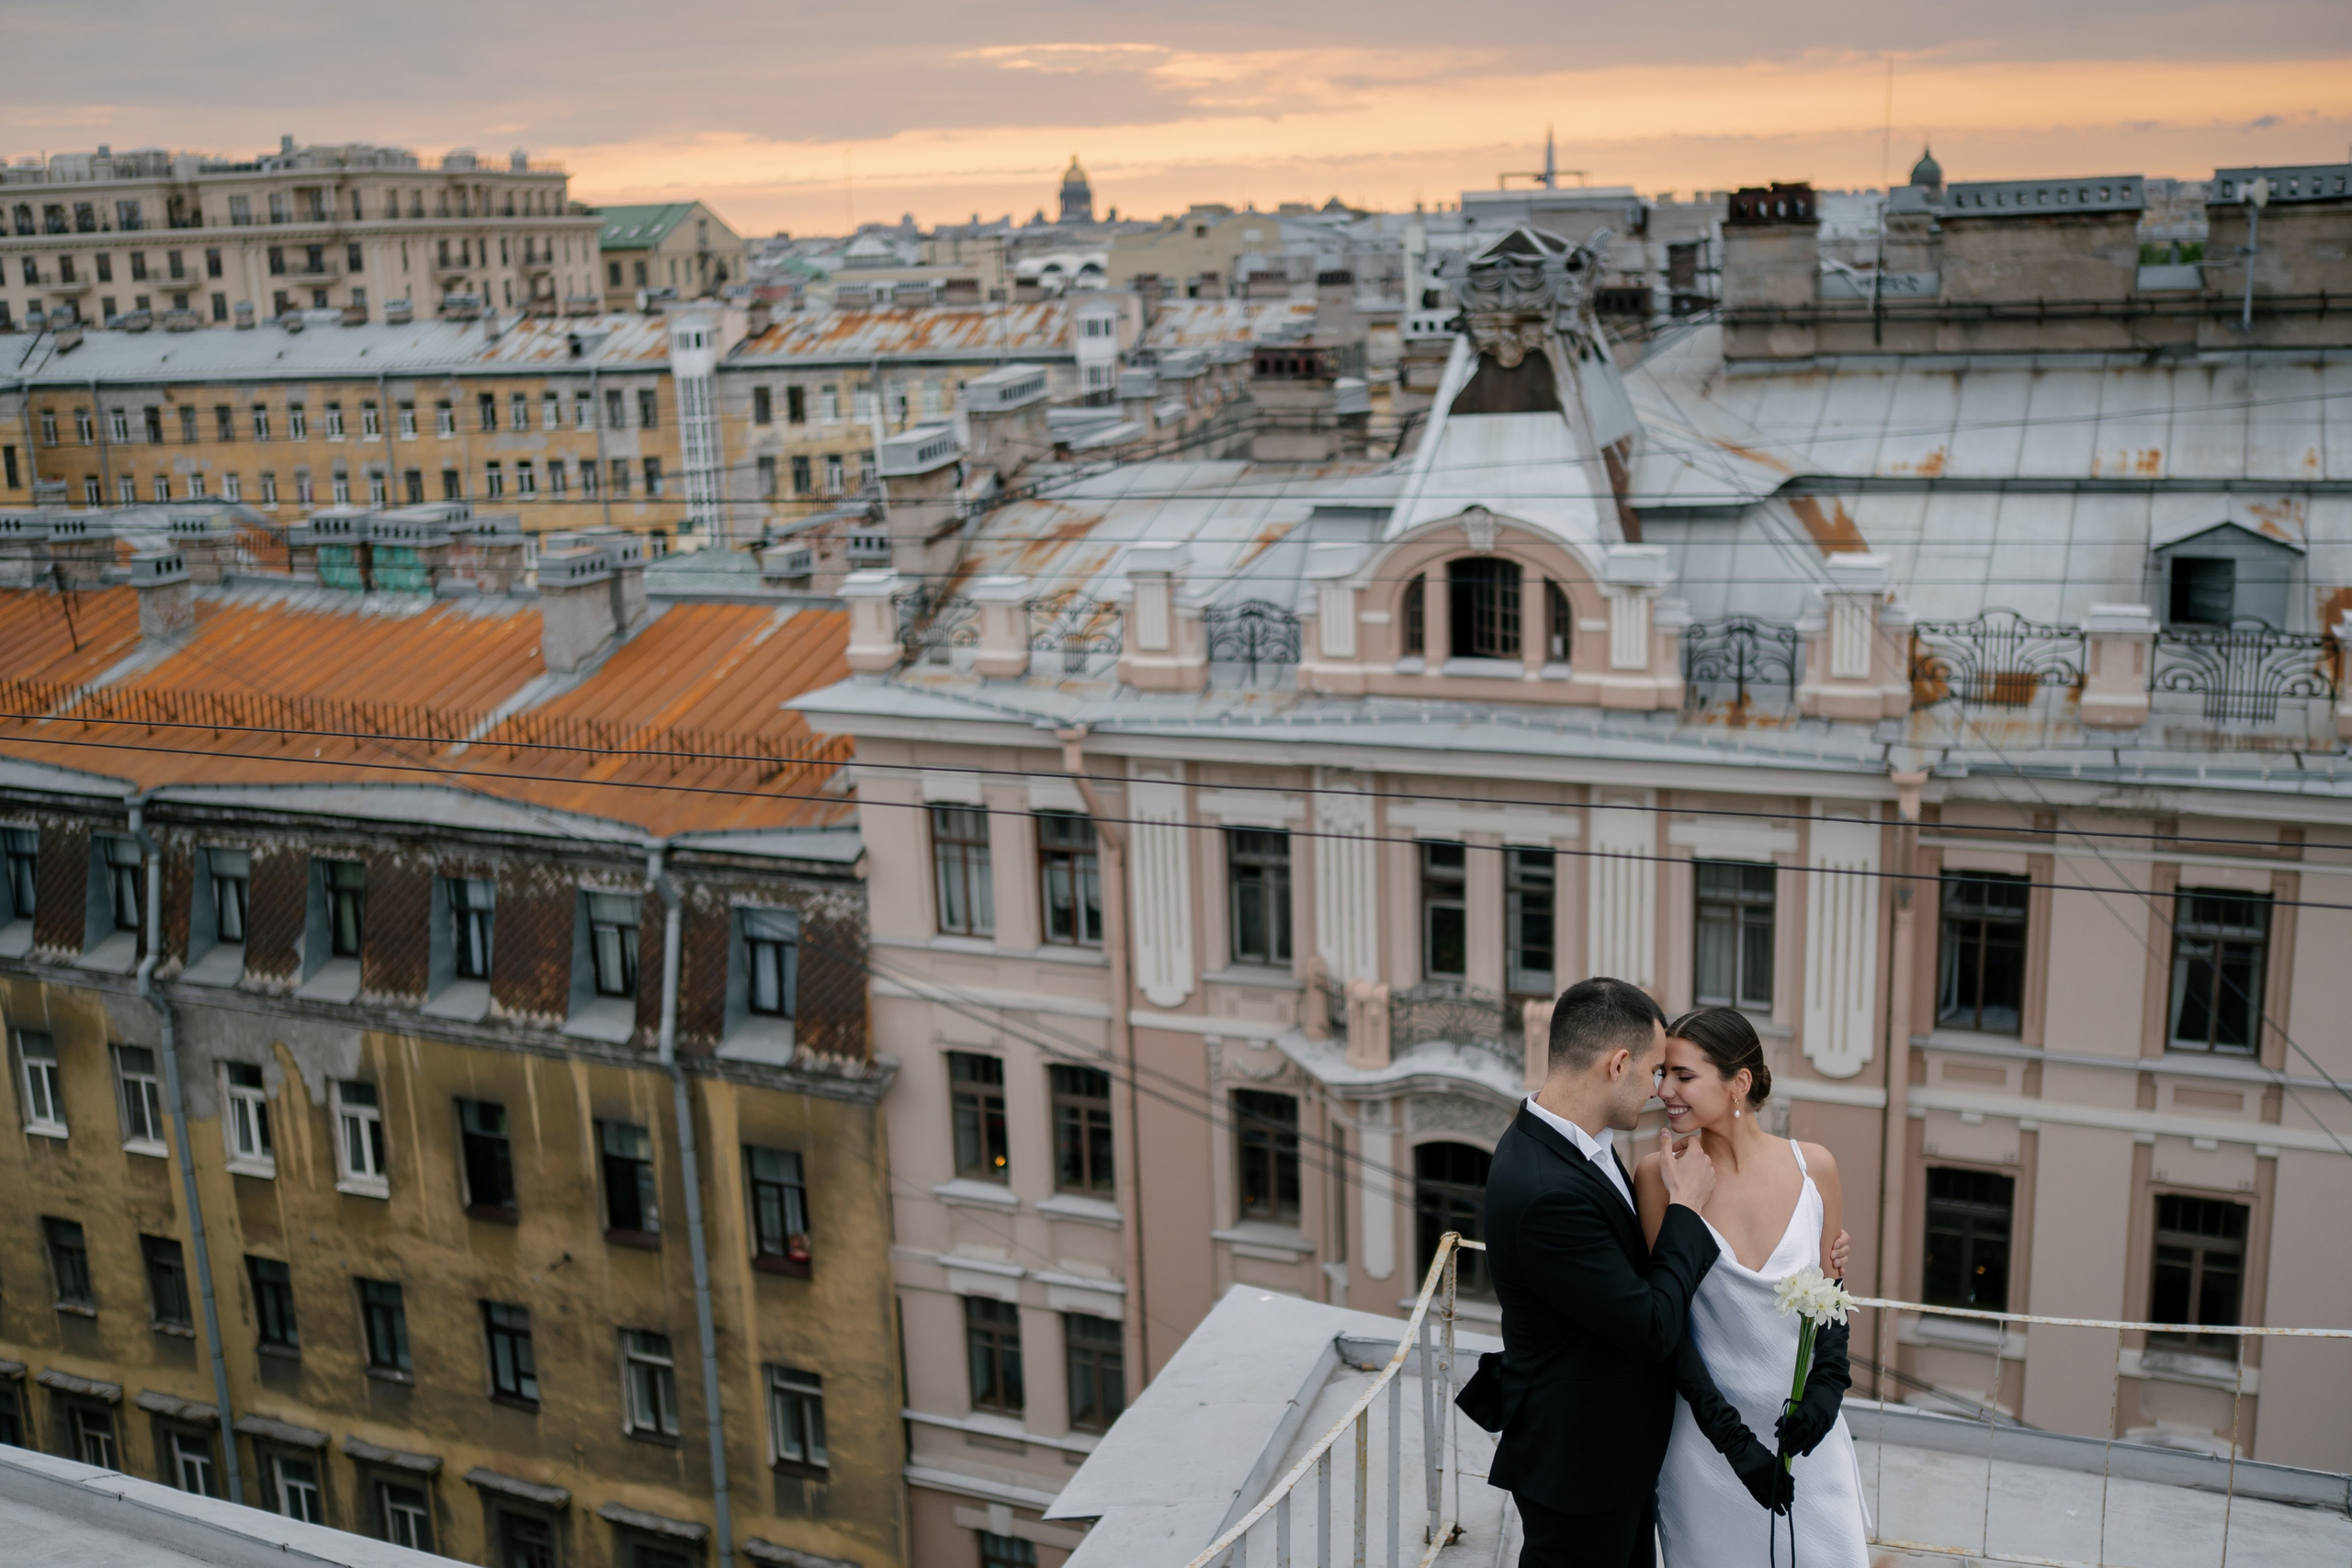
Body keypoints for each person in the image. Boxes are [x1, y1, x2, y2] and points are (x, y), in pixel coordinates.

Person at [1479, 978, 1800, 1568]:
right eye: (1656, 1071)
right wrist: (1686, 1210)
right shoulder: (1545, 1189)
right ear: (1618, 1063)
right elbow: (1651, 1323)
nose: (1660, 1091)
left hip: (1615, 1459)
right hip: (1581, 1467)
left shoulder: (1576, 1146)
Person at [1638, 1006, 1871, 1567]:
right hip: (1707, 1452)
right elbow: (1668, 1328)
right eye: (1661, 1075)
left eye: (1683, 1076)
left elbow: (1832, 1299)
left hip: (1808, 1443)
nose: (1664, 1090)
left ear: (1738, 1082)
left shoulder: (1816, 1167)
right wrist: (1734, 1446)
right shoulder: (1658, 1175)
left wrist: (1826, 1393)